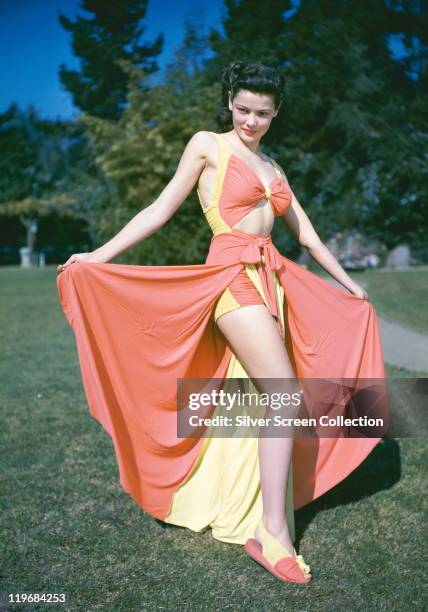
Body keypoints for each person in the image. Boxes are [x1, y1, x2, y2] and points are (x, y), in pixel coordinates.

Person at [56, 61, 387, 585]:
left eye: (262, 113)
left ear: (276, 113)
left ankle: (263, 514)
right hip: (229, 277)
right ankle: (270, 530)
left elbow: (307, 236)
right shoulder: (208, 144)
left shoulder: (275, 169)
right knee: (282, 392)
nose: (251, 122)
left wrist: (350, 285)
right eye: (243, 110)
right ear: (229, 101)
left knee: (272, 396)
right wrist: (98, 255)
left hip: (272, 280)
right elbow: (160, 209)